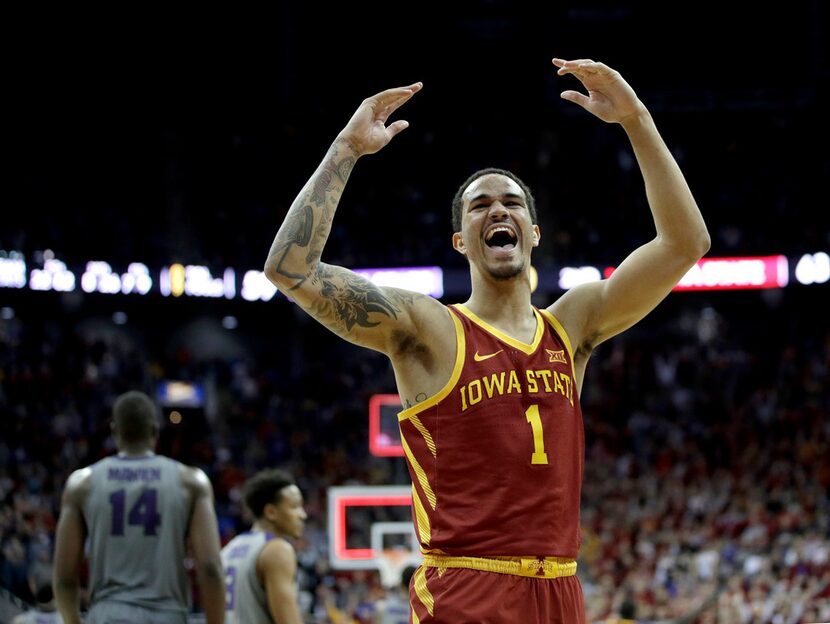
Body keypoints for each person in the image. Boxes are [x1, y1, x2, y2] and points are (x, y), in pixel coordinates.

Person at [263, 57, 709, 623]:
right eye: (480, 205)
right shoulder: (427, 327)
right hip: (467, 590)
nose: (498, 208)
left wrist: (637, 120)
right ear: (461, 241)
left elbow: (685, 243)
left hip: (560, 591)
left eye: (512, 203)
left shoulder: (571, 325)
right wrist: (344, 151)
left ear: (534, 232)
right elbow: (291, 269)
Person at [52, 390, 225, 624]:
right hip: (167, 614)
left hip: (107, 614)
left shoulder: (81, 483)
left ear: (114, 431)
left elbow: (64, 577)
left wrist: (73, 621)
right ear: (155, 430)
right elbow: (210, 568)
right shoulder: (191, 481)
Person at [221, 468, 307, 624]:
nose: (303, 515)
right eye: (295, 507)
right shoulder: (277, 550)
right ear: (271, 512)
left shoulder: (228, 550)